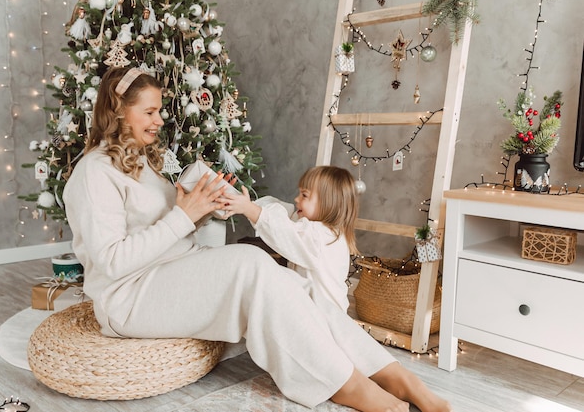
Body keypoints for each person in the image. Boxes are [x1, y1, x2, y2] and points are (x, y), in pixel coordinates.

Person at [62, 66, 452, 412]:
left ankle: (400, 378)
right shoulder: (93, 174)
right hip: (129, 296)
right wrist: (183, 215)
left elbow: (165, 231)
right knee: (250, 264)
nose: (160, 119)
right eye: (149, 112)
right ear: (117, 112)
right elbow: (111, 261)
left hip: (169, 271)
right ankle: (346, 384)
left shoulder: (142, 163)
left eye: (159, 110)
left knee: (296, 284)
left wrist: (199, 207)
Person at [219, 165, 358, 313]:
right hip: (317, 313)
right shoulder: (327, 233)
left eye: (304, 195)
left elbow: (283, 230)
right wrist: (248, 204)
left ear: (327, 202)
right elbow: (281, 211)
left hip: (323, 317)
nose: (296, 199)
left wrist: (249, 209)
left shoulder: (319, 236)